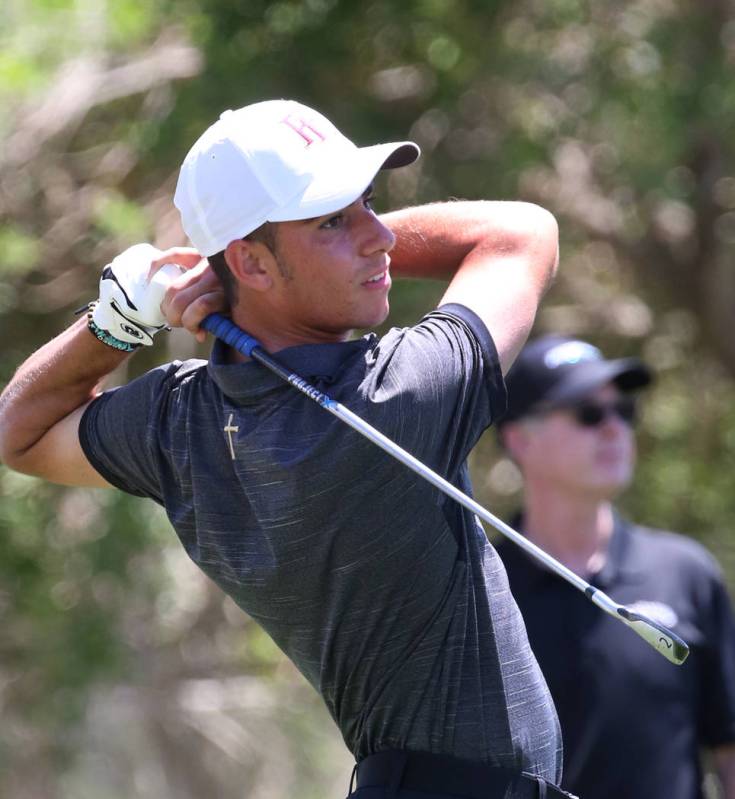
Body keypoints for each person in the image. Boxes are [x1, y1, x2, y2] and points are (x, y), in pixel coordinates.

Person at [0, 99, 570, 798]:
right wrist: (237, 270)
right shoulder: (396, 397)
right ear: (252, 261)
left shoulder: (177, 424)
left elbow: (19, 432)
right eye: (332, 220)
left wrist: (124, 314)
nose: (376, 238)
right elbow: (522, 232)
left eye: (366, 205)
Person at [493, 334, 735, 799]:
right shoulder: (482, 592)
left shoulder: (687, 573)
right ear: (519, 438)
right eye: (588, 414)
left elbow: (727, 744)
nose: (614, 429)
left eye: (623, 412)